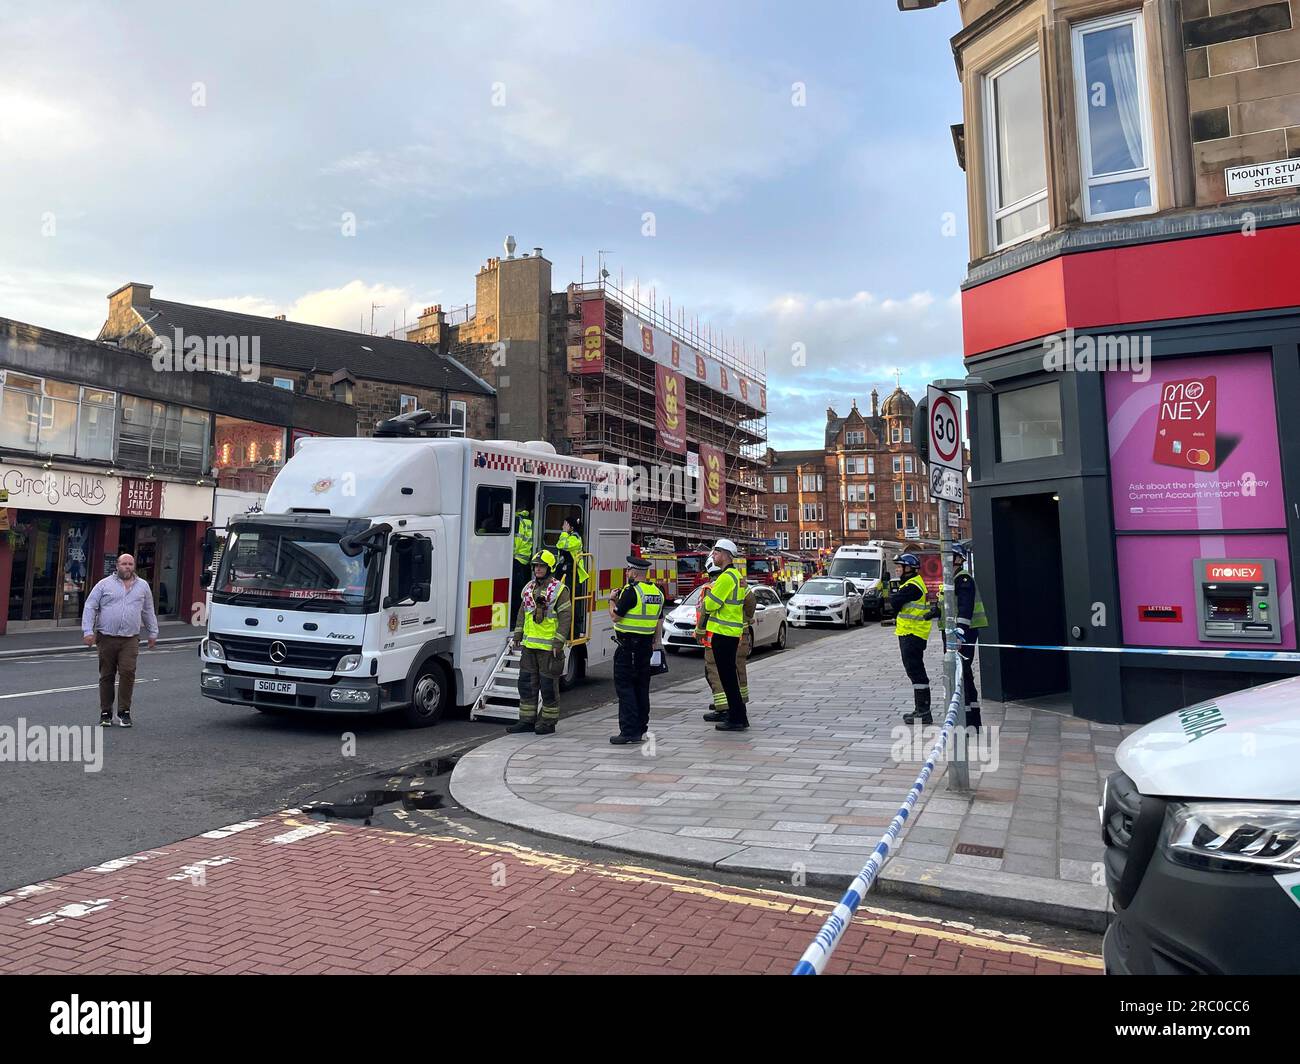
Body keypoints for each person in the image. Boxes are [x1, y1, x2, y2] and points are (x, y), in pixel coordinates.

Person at [81, 553, 159, 727]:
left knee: (128, 673)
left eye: (130, 564)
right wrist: (87, 630)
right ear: (117, 566)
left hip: (130, 639)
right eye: (124, 563)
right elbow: (90, 606)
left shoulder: (143, 586)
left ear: (134, 566)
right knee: (107, 675)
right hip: (106, 637)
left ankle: (124, 712)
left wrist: (153, 632)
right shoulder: (104, 584)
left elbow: (148, 610)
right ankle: (106, 712)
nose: (127, 567)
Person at [506, 549, 571, 737]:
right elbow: (522, 613)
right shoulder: (528, 589)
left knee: (548, 686)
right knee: (526, 684)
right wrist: (518, 635)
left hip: (549, 649)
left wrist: (558, 644)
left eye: (542, 566)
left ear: (550, 568)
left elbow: (566, 618)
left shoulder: (559, 591)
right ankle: (527, 721)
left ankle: (548, 723)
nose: (538, 569)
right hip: (530, 647)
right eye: (535, 566)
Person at [608, 555, 665, 745]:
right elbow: (659, 621)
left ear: (634, 572)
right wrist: (656, 643)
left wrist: (611, 600)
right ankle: (641, 728)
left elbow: (616, 617)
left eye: (627, 570)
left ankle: (628, 731)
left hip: (627, 647)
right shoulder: (657, 592)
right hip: (645, 647)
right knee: (642, 687)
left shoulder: (631, 592)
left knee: (626, 688)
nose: (626, 573)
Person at [699, 538, 749, 731]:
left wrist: (708, 599)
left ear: (726, 555)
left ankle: (737, 719)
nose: (713, 555)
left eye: (716, 552)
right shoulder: (736, 576)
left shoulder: (726, 578)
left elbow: (710, 605)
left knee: (727, 678)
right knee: (730, 678)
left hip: (723, 634)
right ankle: (739, 716)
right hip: (731, 633)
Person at [890, 553, 938, 726]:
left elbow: (894, 601)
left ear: (908, 568)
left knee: (916, 672)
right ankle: (920, 709)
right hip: (911, 633)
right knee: (915, 672)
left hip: (912, 634)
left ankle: (924, 712)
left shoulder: (912, 586)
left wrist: (895, 596)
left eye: (899, 566)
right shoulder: (913, 583)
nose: (897, 569)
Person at [952, 544, 988, 731]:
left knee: (961, 676)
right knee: (964, 675)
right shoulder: (952, 579)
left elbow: (965, 609)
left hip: (963, 634)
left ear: (958, 559)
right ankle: (972, 721)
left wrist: (960, 633)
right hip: (956, 634)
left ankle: (967, 721)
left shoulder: (963, 579)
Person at [555, 516, 589, 637]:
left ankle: (572, 632)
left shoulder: (575, 538)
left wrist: (564, 533)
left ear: (571, 527)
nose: (563, 526)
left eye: (565, 524)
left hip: (573, 575)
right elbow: (560, 544)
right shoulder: (570, 537)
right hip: (565, 573)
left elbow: (562, 545)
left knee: (571, 605)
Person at [510, 509, 534, 626]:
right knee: (520, 592)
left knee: (515, 593)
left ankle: (514, 621)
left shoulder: (517, 520)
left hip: (516, 560)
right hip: (525, 561)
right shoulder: (528, 521)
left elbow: (516, 542)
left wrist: (508, 554)